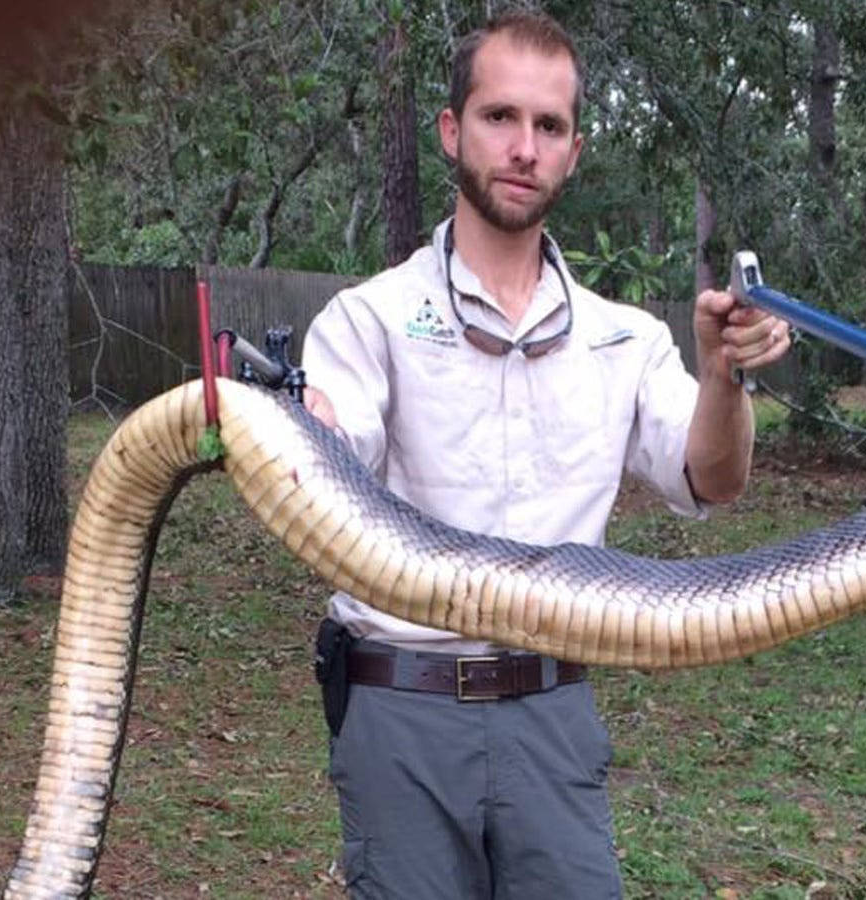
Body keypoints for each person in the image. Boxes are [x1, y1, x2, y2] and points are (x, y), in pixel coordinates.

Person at [298, 10, 790, 898]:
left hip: (554, 708)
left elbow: (710, 478)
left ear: (573, 150)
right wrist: (304, 429)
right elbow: (329, 466)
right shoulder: (367, 321)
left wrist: (724, 376)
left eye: (548, 126)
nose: (523, 147)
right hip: (402, 706)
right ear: (453, 133)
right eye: (499, 117)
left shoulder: (624, 339)